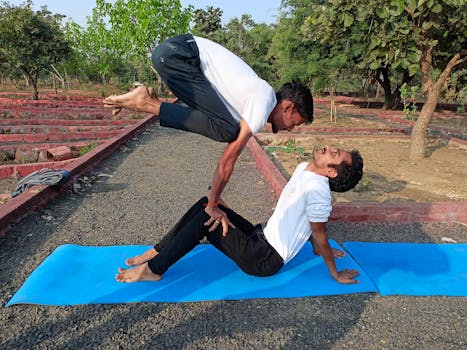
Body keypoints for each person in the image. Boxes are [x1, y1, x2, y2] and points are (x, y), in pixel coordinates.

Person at [104, 34, 314, 235]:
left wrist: (214, 192)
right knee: (227, 130)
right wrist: (212, 202)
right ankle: (146, 102)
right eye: (295, 123)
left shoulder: (254, 98)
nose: (291, 129)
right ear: (288, 107)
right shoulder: (263, 102)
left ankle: (142, 99)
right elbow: (227, 161)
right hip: (180, 56)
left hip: (173, 55)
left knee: (227, 128)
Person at [115, 145, 364, 284]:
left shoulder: (320, 192)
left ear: (332, 172)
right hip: (261, 236)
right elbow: (307, 221)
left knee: (206, 220)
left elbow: (319, 231)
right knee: (208, 204)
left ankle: (155, 269)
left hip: (265, 259)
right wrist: (318, 246)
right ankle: (158, 250)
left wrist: (332, 268)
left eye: (335, 154)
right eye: (335, 148)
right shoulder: (304, 168)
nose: (329, 147)